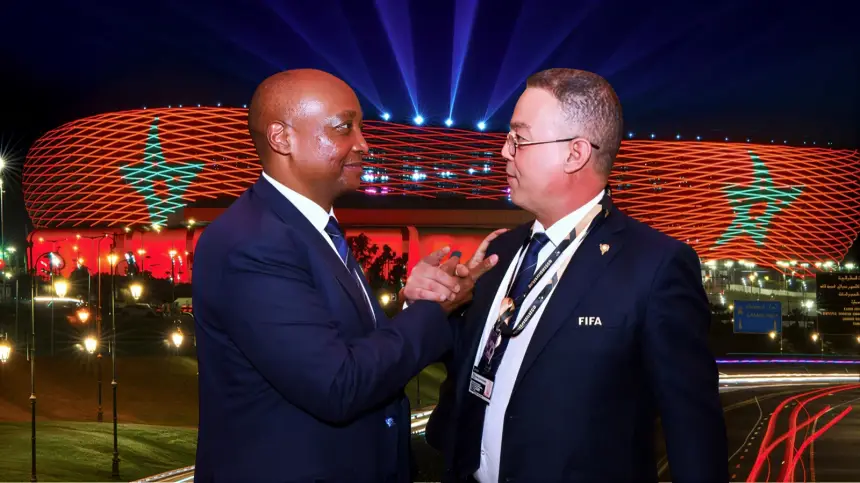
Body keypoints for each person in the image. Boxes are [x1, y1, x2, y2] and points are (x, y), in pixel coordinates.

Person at [191, 68, 498, 482]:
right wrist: (432, 310)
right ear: (282, 138)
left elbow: (344, 346)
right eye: (343, 128)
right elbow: (338, 385)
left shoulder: (308, 229)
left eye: (360, 127)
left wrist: (412, 303)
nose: (363, 144)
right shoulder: (253, 242)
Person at [425, 68, 729, 482]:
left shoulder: (656, 267)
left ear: (575, 153)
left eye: (519, 138)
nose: (503, 152)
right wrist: (432, 307)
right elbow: (472, 360)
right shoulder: (498, 251)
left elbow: (693, 431)